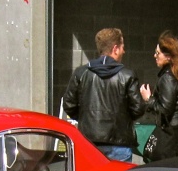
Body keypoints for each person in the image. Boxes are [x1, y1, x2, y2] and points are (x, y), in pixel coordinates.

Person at [62, 28, 144, 162]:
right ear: (115, 48)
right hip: (119, 143)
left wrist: (85, 118)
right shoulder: (127, 75)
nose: (124, 51)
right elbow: (138, 109)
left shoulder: (81, 73)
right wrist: (123, 118)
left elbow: (69, 105)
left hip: (89, 142)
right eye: (123, 47)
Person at [139, 31, 178, 161]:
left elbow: (165, 110)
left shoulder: (167, 78)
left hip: (172, 136)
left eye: (157, 53)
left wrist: (148, 99)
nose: (154, 56)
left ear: (168, 57)